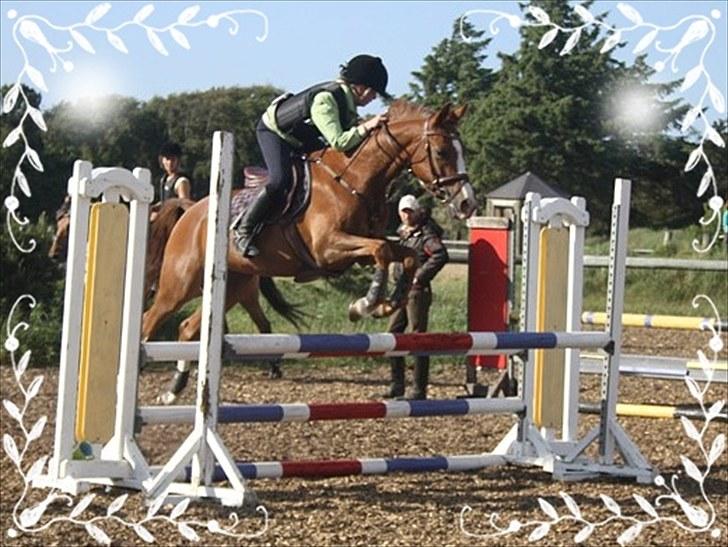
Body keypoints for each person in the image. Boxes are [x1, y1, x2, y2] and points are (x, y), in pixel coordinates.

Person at [232, 54, 391, 258]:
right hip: (275, 133)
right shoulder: (326, 99)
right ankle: (244, 230)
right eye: (374, 93)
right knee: (281, 180)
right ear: (362, 88)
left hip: (300, 136)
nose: (374, 98)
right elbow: (340, 142)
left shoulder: (348, 103)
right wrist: (368, 126)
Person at [383, 194, 449, 400]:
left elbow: (440, 254)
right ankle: (397, 384)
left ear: (417, 212)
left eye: (409, 211)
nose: (406, 216)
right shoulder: (404, 233)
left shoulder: (426, 235)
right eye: (403, 212)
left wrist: (419, 277)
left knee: (418, 337)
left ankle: (419, 389)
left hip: (416, 292)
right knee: (393, 334)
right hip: (401, 291)